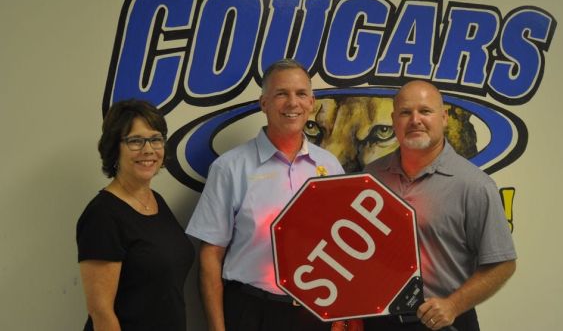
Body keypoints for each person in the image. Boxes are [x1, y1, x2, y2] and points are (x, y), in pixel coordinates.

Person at [185, 59, 361, 331]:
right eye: (281, 94)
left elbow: (342, 247)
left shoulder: (330, 166)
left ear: (311, 102)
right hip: (252, 312)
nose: (292, 103)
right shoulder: (230, 168)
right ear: (263, 103)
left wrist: (340, 315)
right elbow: (210, 256)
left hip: (316, 312)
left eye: (301, 94)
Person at [363, 80, 517, 331]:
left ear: (444, 117)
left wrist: (453, 305)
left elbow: (503, 263)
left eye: (425, 111)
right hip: (377, 322)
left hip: (444, 322)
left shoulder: (475, 185)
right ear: (394, 120)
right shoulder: (371, 176)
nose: (415, 120)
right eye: (405, 112)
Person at [76, 99, 195, 331]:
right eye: (135, 141)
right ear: (114, 148)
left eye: (155, 139)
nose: (148, 149)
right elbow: (101, 312)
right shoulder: (102, 216)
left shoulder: (156, 200)